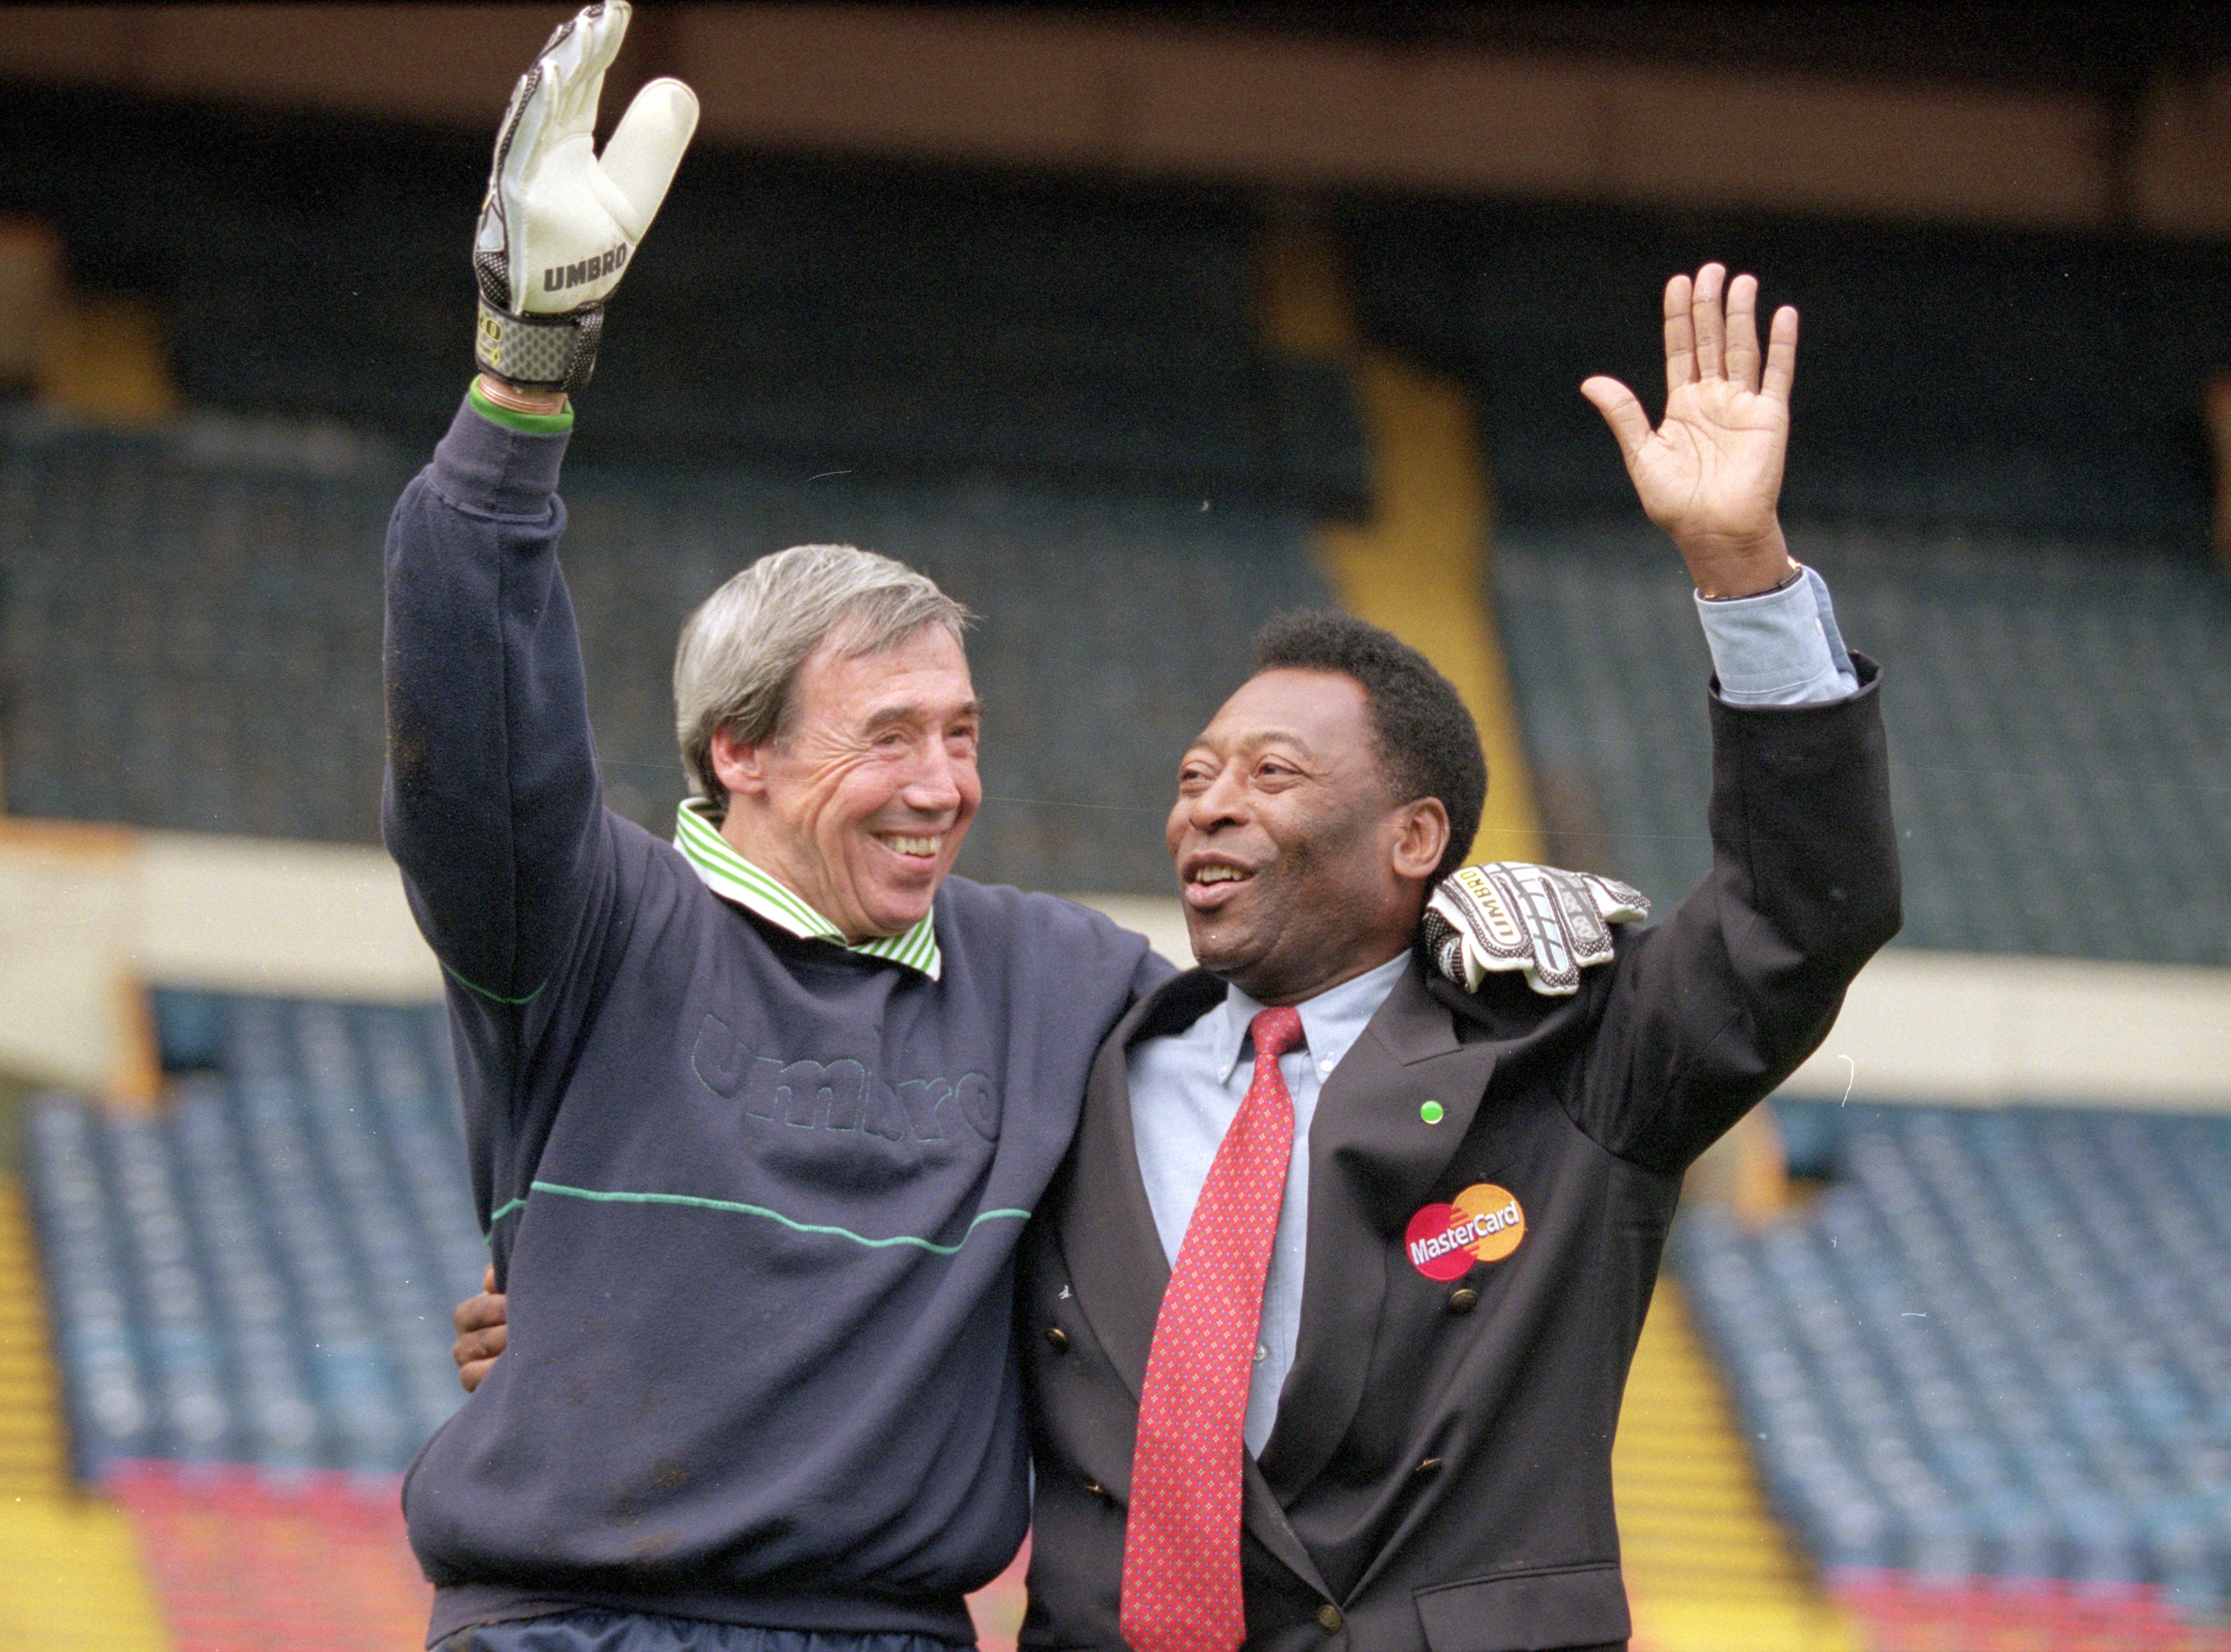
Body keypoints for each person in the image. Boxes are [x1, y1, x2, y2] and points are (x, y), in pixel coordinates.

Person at [394, 6, 1489, 1648]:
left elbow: (1308, 1001)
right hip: (572, 1618)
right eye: (888, 735)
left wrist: (1506, 914)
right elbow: (473, 715)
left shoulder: (1061, 978)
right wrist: (523, 374)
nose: (941, 782)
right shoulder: (583, 923)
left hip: (894, 1630)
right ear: (738, 750)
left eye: (963, 734)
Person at [1011, 267, 1899, 1651]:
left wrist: (1742, 570)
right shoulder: (1080, 1058)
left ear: (1413, 834)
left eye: (1272, 771)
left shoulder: (1570, 1061)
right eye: (1196, 772)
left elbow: (1804, 910)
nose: (1210, 800)